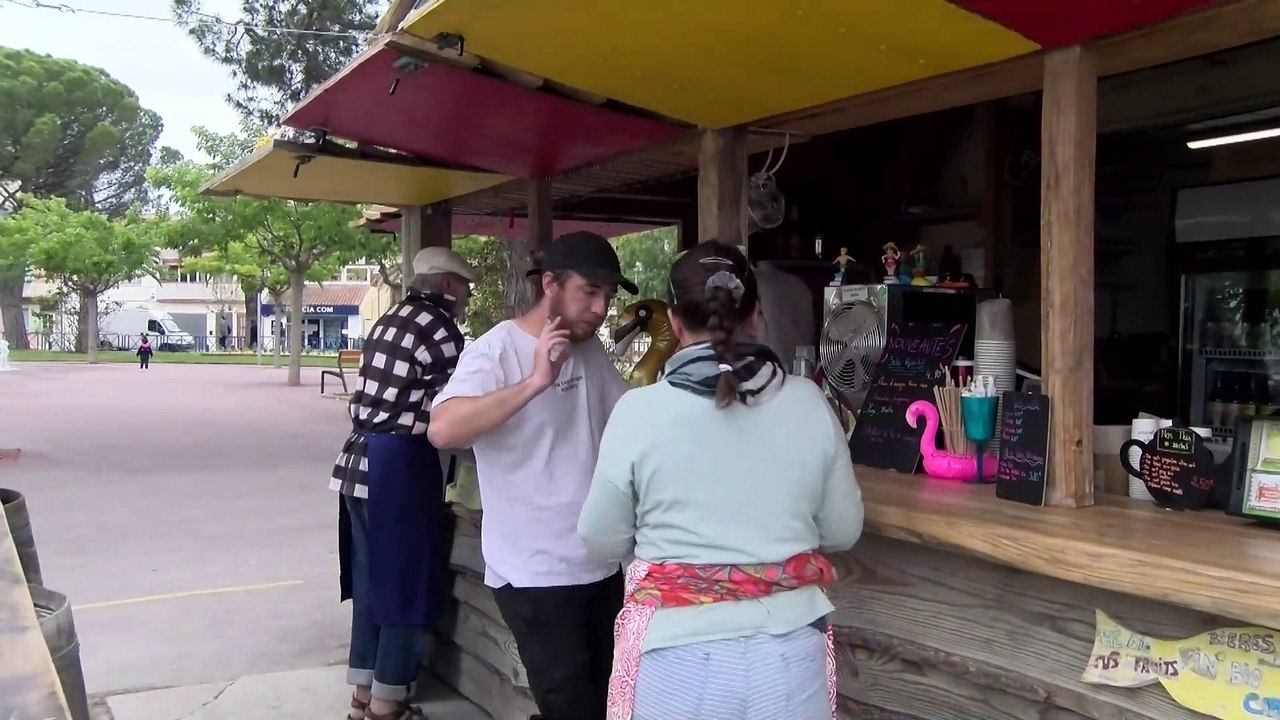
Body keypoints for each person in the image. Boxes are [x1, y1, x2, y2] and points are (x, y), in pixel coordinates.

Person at [577, 241, 865, 720]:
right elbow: (843, 530)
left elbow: (601, 538)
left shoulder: (637, 412)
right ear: (756, 314)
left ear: (673, 321)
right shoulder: (809, 403)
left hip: (677, 661)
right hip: (790, 659)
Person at [428, 231, 637, 720]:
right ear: (550, 285)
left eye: (608, 295)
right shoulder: (496, 350)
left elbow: (627, 418)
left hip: (600, 563)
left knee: (610, 701)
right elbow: (443, 429)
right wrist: (536, 382)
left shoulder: (591, 352)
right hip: (534, 571)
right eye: (590, 291)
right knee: (569, 705)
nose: (601, 307)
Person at [330, 247, 478, 720]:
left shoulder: (392, 318)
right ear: (450, 286)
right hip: (400, 465)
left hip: (357, 463)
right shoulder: (441, 329)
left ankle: (362, 693)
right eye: (466, 289)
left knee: (372, 583)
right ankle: (388, 702)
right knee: (406, 584)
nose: (467, 298)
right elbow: (466, 397)